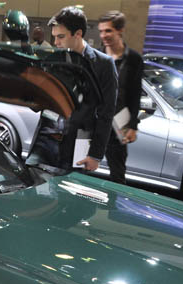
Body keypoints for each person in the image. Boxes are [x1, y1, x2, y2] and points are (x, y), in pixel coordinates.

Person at [48, 6, 117, 172]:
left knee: (74, 187)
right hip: (49, 142)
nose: (56, 43)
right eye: (54, 37)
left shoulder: (104, 64)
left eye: (61, 37)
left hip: (80, 145)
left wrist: (95, 155)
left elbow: (107, 113)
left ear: (78, 34)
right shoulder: (52, 61)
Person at [99, 10, 143, 185]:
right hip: (95, 121)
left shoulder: (134, 60)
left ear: (120, 30)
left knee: (117, 175)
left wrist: (133, 125)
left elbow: (135, 94)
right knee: (80, 168)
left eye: (108, 31)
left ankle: (114, 203)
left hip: (120, 120)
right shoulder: (96, 56)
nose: (103, 35)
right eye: (101, 31)